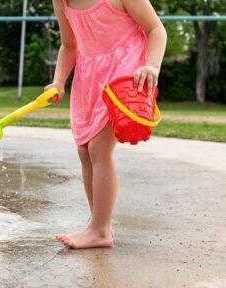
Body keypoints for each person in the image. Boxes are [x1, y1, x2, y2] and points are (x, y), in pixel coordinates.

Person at [45, 0, 167, 249]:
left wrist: (152, 66)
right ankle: (99, 224)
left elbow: (156, 29)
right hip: (90, 76)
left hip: (125, 73)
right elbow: (69, 45)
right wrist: (58, 81)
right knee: (84, 150)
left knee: (99, 148)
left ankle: (99, 229)